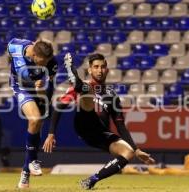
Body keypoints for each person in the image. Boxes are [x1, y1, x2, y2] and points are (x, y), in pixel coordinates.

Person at [43, 53, 155, 190]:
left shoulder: (112, 96)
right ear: (90, 70)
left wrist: (136, 150)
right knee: (86, 90)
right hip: (84, 123)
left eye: (102, 67)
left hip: (100, 133)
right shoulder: (86, 86)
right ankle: (74, 77)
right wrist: (51, 133)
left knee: (128, 153)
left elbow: (120, 126)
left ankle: (91, 180)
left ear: (107, 69)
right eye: (96, 67)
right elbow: (60, 106)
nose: (99, 70)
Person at [7, 38, 58, 188]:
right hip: (20, 87)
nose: (44, 66)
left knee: (38, 121)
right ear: (33, 56)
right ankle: (32, 162)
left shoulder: (51, 62)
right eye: (41, 63)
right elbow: (9, 47)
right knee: (35, 120)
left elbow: (51, 85)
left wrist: (46, 103)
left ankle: (25, 172)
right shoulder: (16, 47)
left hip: (39, 88)